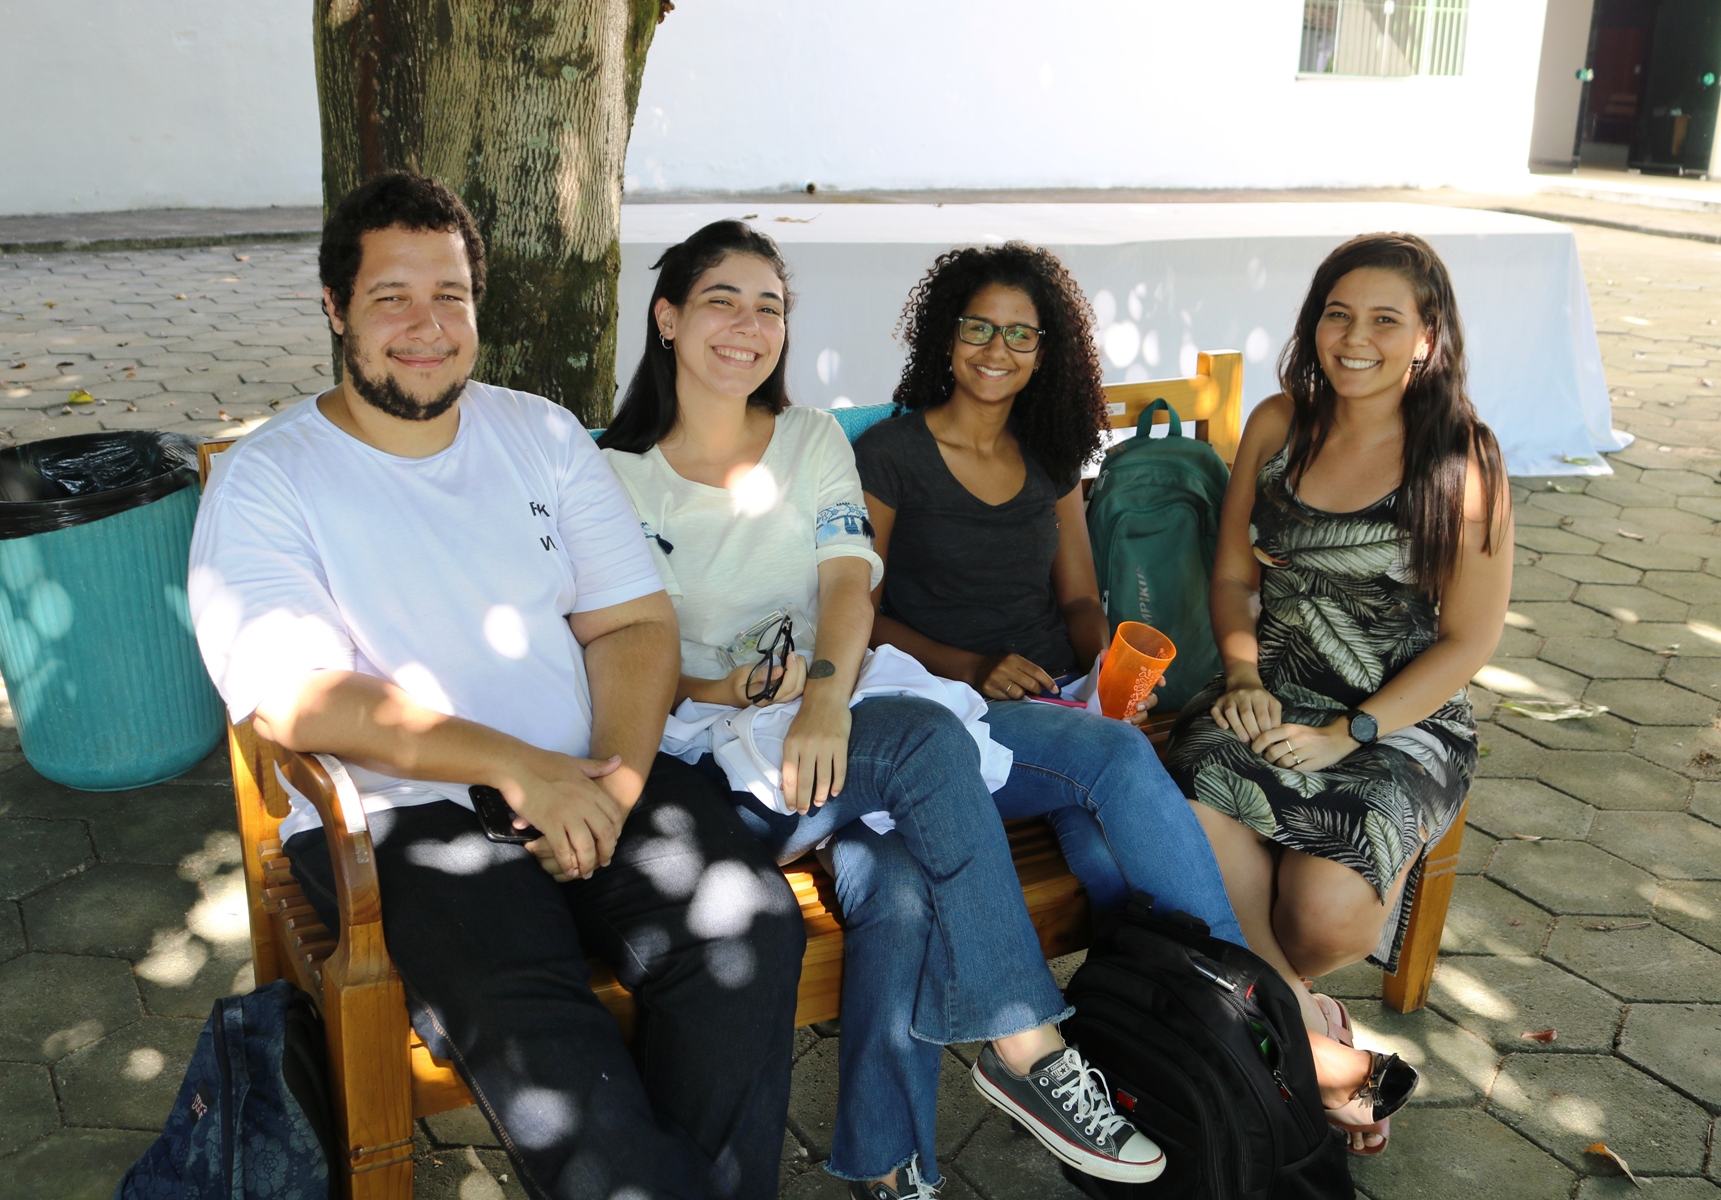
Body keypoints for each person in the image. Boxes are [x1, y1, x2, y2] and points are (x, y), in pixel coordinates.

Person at [188, 173, 807, 1200]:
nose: (426, 327)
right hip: (405, 820)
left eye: (451, 295)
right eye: (391, 297)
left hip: (594, 771)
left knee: (745, 925)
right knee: (544, 1030)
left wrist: (611, 782)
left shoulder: (541, 435)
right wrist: (522, 771)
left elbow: (634, 623)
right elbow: (300, 698)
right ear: (336, 308)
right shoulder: (272, 479)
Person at [597, 220, 1165, 1200]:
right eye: (722, 301)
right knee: (928, 741)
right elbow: (617, 646)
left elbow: (848, 579)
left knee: (897, 883)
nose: (748, 325)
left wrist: (824, 695)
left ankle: (892, 1169)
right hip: (705, 765)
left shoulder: (812, 439)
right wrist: (727, 687)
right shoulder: (617, 475)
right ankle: (1026, 1047)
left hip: (826, 733)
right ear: (669, 318)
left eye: (769, 306)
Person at [1163, 232, 1510, 1153]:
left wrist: (1350, 733)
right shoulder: (1281, 423)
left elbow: (1471, 640)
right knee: (1189, 798)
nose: (1355, 338)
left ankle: (1266, 1013)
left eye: (1385, 320)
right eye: (1337, 314)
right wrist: (1241, 672)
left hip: (1399, 717)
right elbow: (1232, 575)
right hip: (1270, 691)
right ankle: (1309, 1034)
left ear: (1428, 338)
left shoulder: (1463, 456)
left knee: (1319, 916)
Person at [854, 241, 1244, 947]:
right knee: (1121, 765)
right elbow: (860, 615)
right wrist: (973, 666)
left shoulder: (1050, 452)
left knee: (1108, 857)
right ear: (946, 335)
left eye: (1020, 334)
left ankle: (1161, 998)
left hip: (1065, 704)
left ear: (1044, 351)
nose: (996, 349)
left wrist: (1107, 672)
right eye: (978, 327)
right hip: (957, 713)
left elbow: (1081, 603)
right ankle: (1247, 985)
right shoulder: (890, 454)